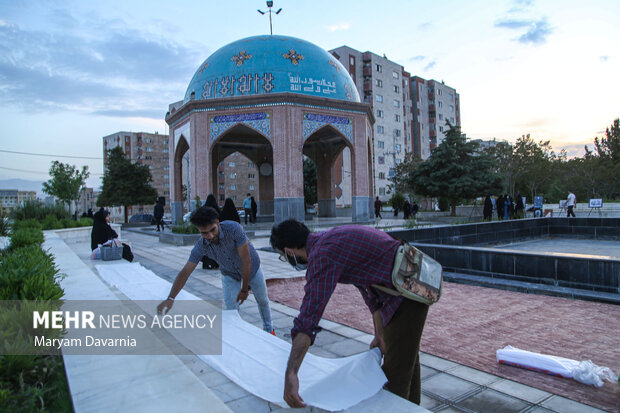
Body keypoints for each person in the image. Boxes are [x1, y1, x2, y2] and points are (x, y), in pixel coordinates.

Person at [270, 220, 429, 408]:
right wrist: (379, 334)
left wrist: (291, 374)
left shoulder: (323, 255)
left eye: (283, 256)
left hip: (407, 293)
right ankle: (413, 406)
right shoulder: (327, 239)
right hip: (407, 283)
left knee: (395, 378)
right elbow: (365, 286)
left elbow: (308, 319)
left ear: (289, 251)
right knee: (406, 357)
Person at [157, 206, 274, 334]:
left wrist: (245, 289)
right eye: (204, 233)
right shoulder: (201, 246)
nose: (210, 235)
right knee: (231, 310)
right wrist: (171, 298)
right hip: (229, 274)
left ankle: (269, 330)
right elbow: (185, 272)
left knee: (262, 300)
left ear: (218, 222)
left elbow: (246, 260)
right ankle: (237, 336)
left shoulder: (234, 229)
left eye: (212, 230)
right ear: (199, 231)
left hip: (252, 268)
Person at [202, 194, 221, 269]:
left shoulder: (204, 209)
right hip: (214, 232)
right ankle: (215, 264)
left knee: (206, 248)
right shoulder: (216, 209)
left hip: (205, 231)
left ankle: (205, 264)